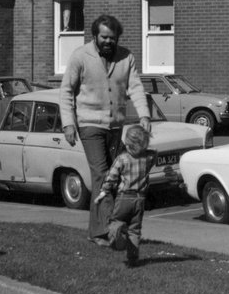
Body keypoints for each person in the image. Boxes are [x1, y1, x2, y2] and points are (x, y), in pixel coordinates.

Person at [59, 14, 150, 245]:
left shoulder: (125, 57)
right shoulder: (80, 56)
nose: (109, 41)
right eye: (104, 37)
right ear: (95, 36)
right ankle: (110, 229)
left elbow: (135, 87)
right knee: (101, 175)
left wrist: (145, 115)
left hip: (115, 125)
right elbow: (66, 91)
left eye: (113, 38)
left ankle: (98, 231)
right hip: (89, 124)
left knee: (113, 177)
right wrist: (69, 124)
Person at [94, 124, 157, 267]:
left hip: (124, 198)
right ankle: (133, 259)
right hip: (140, 199)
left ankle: (117, 240)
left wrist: (103, 192)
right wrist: (144, 148)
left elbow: (111, 177)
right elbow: (154, 153)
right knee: (135, 230)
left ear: (128, 144)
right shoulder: (147, 158)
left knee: (115, 221)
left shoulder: (121, 159)